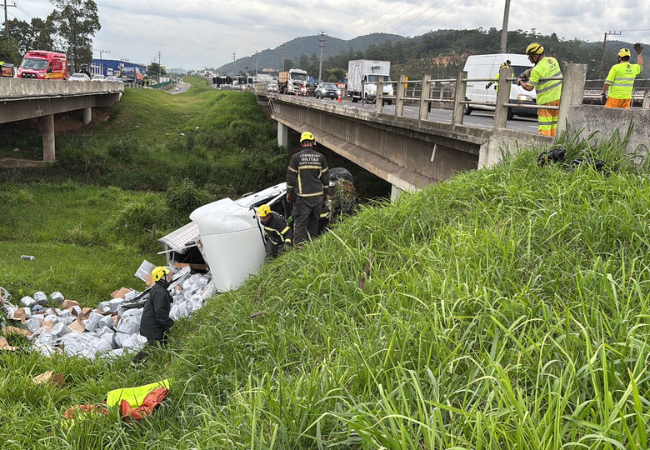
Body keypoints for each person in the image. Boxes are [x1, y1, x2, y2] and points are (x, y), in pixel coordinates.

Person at [286, 131, 330, 244]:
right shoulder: (321, 157)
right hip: (318, 197)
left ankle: (300, 249)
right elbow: (325, 178)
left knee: (300, 224)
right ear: (313, 142)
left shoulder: (296, 157)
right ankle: (312, 246)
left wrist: (289, 193)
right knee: (314, 223)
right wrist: (326, 194)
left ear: (302, 143)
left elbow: (291, 177)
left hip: (303, 197)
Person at [132, 266, 175, 366]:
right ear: (161, 277)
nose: (170, 277)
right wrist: (170, 323)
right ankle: (135, 363)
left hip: (153, 324)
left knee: (161, 344)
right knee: (153, 346)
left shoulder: (158, 289)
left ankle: (162, 363)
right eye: (167, 275)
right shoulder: (160, 292)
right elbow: (160, 313)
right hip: (152, 326)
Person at [518, 42, 563, 137]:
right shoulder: (553, 60)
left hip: (546, 101)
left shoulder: (536, 70)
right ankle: (555, 145)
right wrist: (529, 71)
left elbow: (529, 87)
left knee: (545, 126)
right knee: (554, 125)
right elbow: (544, 67)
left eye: (530, 57)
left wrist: (520, 81)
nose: (529, 59)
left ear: (535, 56)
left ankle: (545, 146)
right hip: (558, 98)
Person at [601, 44, 644, 109]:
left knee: (609, 116)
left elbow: (607, 82)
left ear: (620, 58)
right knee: (624, 118)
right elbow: (640, 65)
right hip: (626, 98)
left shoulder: (616, 67)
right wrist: (639, 53)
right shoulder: (633, 68)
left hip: (614, 97)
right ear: (628, 57)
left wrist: (603, 94)